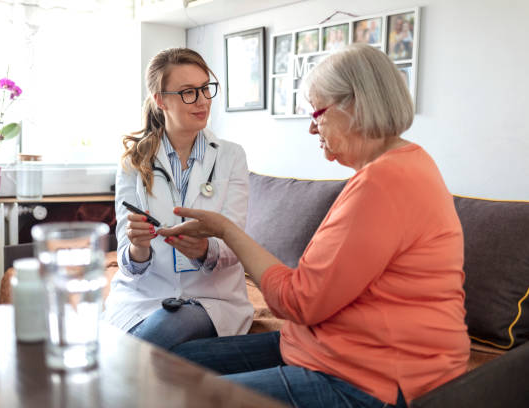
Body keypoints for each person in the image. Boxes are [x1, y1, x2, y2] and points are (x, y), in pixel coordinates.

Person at [159, 43, 470, 407]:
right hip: (325, 349)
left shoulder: (384, 183)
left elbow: (299, 301)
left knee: (181, 394)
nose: (310, 128)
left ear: (354, 106)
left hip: (375, 380)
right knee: (167, 368)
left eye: (316, 113)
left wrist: (226, 230)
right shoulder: (406, 164)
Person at [103, 48, 253, 350]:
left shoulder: (231, 156)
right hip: (144, 296)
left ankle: (110, 382)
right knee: (175, 353)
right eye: (188, 92)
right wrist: (138, 246)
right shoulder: (134, 162)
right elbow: (127, 263)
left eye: (205, 88)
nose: (202, 100)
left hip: (211, 298)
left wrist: (203, 249)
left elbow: (234, 245)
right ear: (160, 100)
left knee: (164, 328)